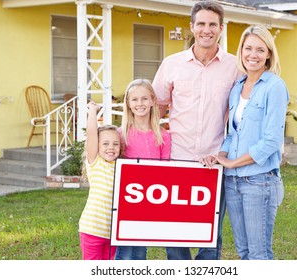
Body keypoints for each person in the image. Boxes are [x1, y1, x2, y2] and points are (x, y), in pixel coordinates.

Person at [152, 0, 240, 260]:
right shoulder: (172, 64)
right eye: (201, 23)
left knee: (210, 234)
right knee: (175, 232)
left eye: (213, 24)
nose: (206, 29)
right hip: (176, 159)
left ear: (221, 28)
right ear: (192, 27)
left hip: (214, 161)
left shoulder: (235, 66)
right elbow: (156, 108)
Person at [202, 24, 288, 260]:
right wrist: (220, 156)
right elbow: (233, 134)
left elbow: (271, 140)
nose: (253, 54)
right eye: (248, 48)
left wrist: (233, 163)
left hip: (259, 181)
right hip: (233, 183)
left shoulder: (275, 87)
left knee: (259, 254)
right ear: (241, 51)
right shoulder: (237, 87)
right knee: (244, 252)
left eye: (260, 49)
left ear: (269, 54)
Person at [115, 79, 171, 260]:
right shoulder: (121, 134)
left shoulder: (163, 136)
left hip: (149, 199)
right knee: (124, 250)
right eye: (135, 100)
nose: (140, 104)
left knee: (140, 250)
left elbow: (165, 171)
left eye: (145, 99)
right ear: (128, 104)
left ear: (154, 101)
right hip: (126, 199)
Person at [78, 101, 122, 260]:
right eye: (105, 143)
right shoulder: (95, 162)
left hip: (112, 233)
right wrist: (93, 111)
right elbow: (91, 133)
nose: (111, 147)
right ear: (97, 146)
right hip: (92, 230)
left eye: (115, 144)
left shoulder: (121, 167)